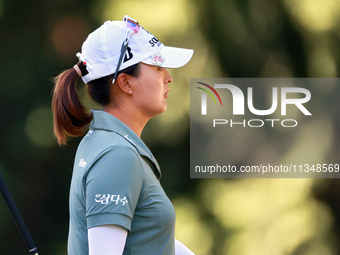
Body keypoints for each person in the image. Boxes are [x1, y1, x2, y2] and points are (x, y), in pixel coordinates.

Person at [52, 15, 194, 255]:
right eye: (158, 67)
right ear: (126, 83)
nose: (169, 77)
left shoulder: (108, 145)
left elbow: (152, 237)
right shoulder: (117, 155)